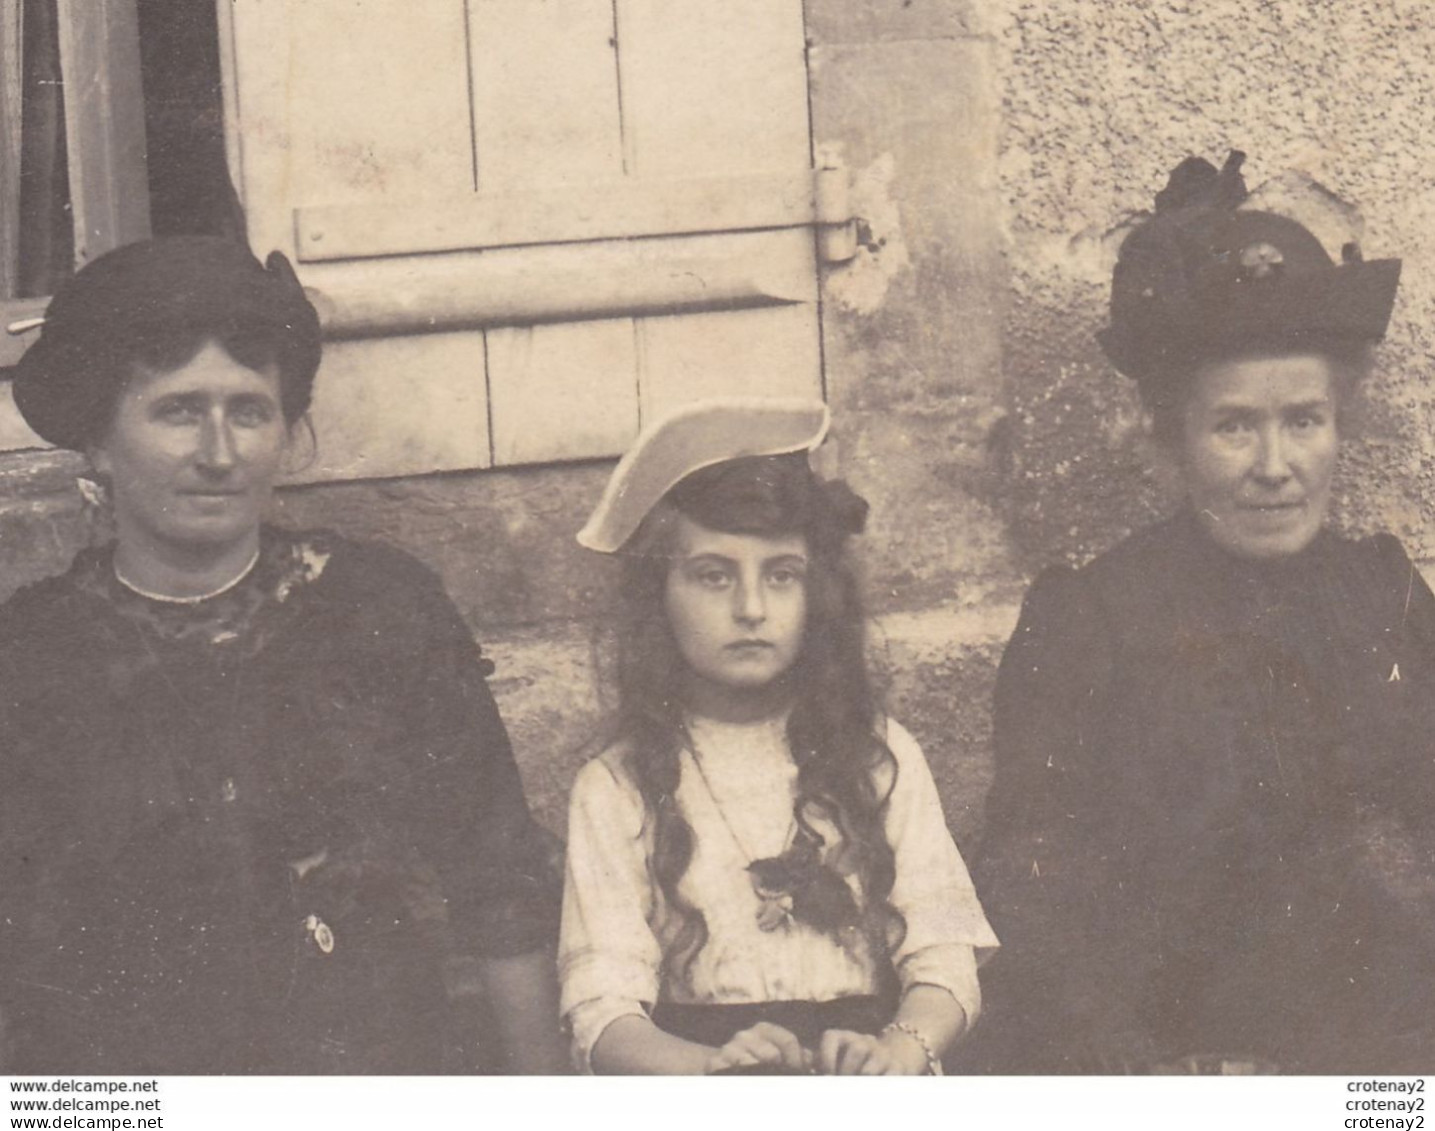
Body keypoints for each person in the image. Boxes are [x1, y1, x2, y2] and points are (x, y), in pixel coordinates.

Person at [0, 237, 566, 1074]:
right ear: (99, 442)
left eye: (249, 410)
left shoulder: (379, 609)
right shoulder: (31, 656)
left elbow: (499, 885)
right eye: (179, 410)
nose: (220, 453)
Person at [968, 152, 1435, 1074]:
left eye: (1302, 419)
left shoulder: (1386, 596)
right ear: (1170, 441)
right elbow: (1031, 889)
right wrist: (1144, 1071)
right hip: (1175, 1063)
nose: (1275, 464)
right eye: (1233, 427)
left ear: (1341, 426)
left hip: (1380, 1061)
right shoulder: (1089, 619)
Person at [558, 398, 998, 1074]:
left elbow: (943, 955)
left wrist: (897, 1049)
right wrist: (709, 1070)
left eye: (781, 575)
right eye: (713, 575)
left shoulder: (878, 757)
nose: (751, 608)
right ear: (657, 596)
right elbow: (601, 1004)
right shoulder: (618, 784)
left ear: (817, 595)